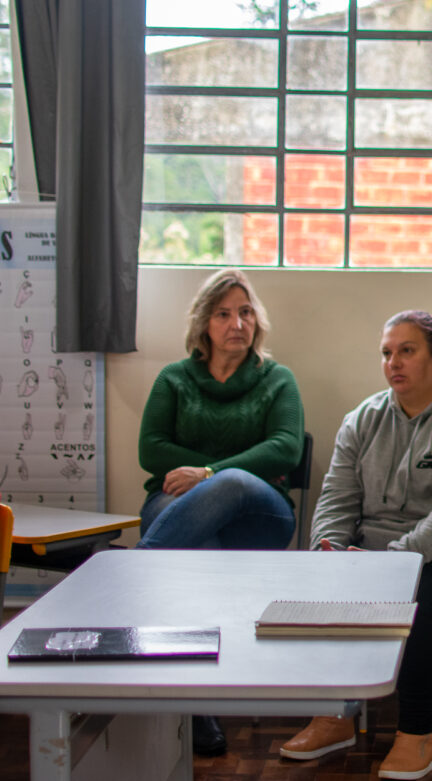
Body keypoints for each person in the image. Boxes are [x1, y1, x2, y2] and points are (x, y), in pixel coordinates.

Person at [281, 310, 432, 780]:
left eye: (407, 350)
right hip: (382, 560)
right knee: (323, 582)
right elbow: (336, 497)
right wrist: (328, 551)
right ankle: (335, 717)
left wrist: (386, 566)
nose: (394, 362)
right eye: (387, 353)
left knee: (415, 600)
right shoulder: (363, 418)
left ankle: (418, 737)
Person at [136, 267, 305, 755]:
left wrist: (207, 472)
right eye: (225, 313)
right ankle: (198, 707)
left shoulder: (277, 379)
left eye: (246, 312)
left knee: (228, 483)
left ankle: (132, 573)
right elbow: (151, 450)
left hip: (262, 514)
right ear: (204, 324)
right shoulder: (174, 378)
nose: (238, 323)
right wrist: (195, 480)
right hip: (181, 514)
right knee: (196, 549)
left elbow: (286, 449)